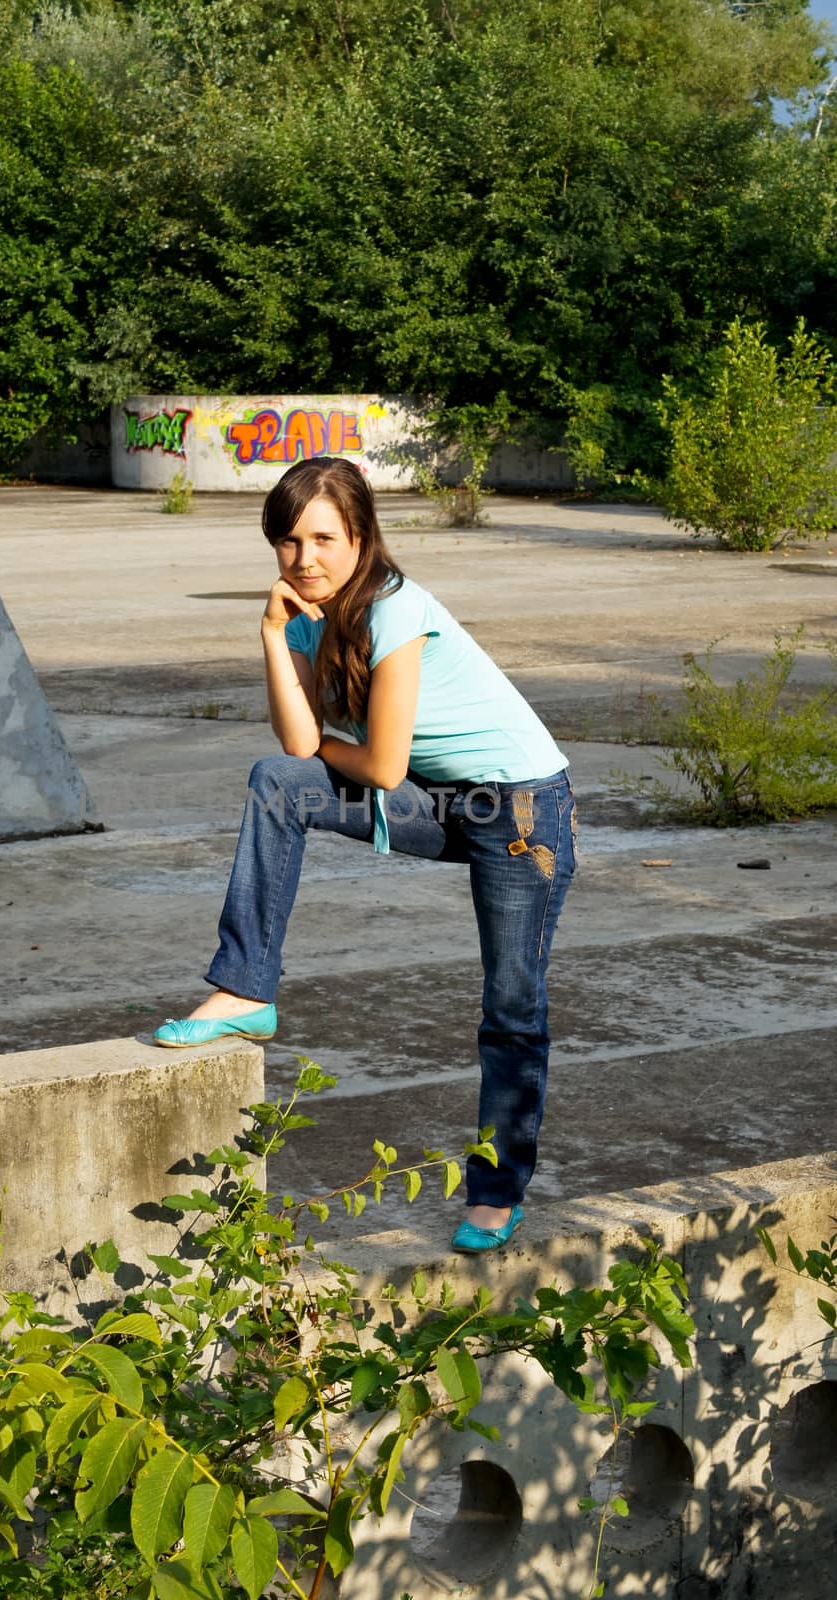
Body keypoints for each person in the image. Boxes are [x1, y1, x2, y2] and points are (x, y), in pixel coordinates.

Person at [154, 456, 576, 1254]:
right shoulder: (312, 614)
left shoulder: (393, 608)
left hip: (521, 814)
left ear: (359, 536)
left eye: (320, 538)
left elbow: (379, 768)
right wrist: (273, 635)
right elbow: (298, 745)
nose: (302, 558)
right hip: (446, 798)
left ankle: (495, 1192)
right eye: (286, 541)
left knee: (511, 1007)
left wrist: (333, 749)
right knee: (277, 782)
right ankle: (244, 989)